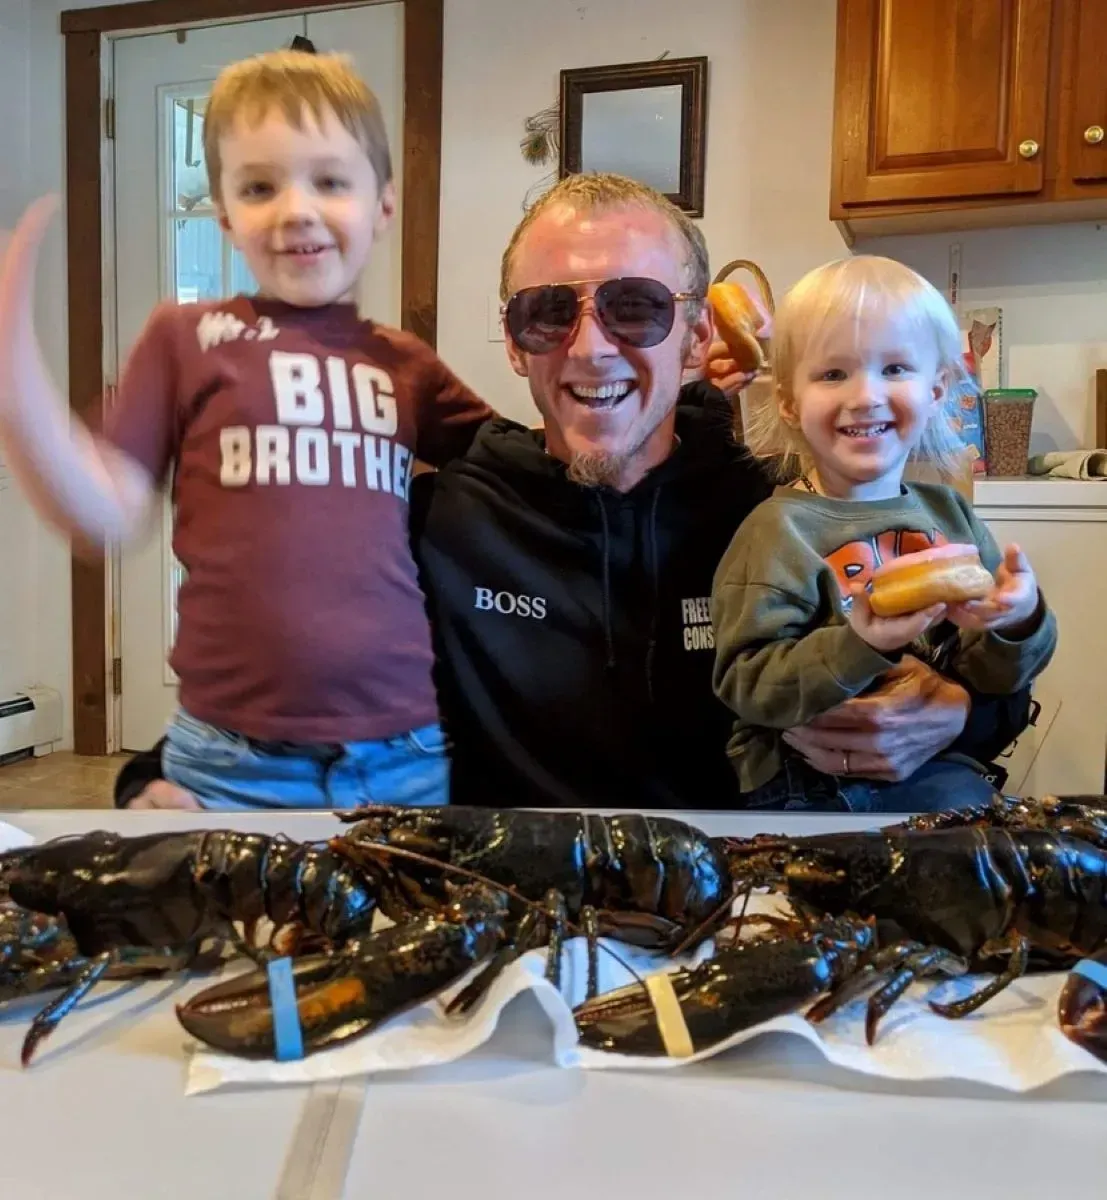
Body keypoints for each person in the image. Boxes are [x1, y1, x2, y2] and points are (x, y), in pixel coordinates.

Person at [114, 174, 1035, 812]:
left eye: (633, 306)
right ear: (514, 344)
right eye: (548, 312)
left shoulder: (784, 508)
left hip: (750, 893)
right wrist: (159, 784)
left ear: (689, 331)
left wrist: (958, 714)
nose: (591, 348)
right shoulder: (435, 519)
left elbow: (988, 662)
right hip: (498, 903)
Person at [0, 50, 495, 811]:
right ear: (226, 215)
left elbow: (525, 469)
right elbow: (103, 510)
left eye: (330, 181)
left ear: (382, 205)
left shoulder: (408, 366)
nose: (296, 208)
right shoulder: (184, 338)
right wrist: (14, 378)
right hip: (229, 760)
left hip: (403, 753)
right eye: (261, 186)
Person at [711, 255, 1057, 811]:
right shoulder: (776, 531)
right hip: (804, 781)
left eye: (894, 369)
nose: (865, 395)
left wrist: (1017, 620)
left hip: (934, 768)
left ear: (938, 390)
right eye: (832, 373)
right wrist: (860, 643)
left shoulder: (951, 516)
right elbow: (747, 687)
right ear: (789, 403)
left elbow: (992, 678)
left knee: (998, 852)